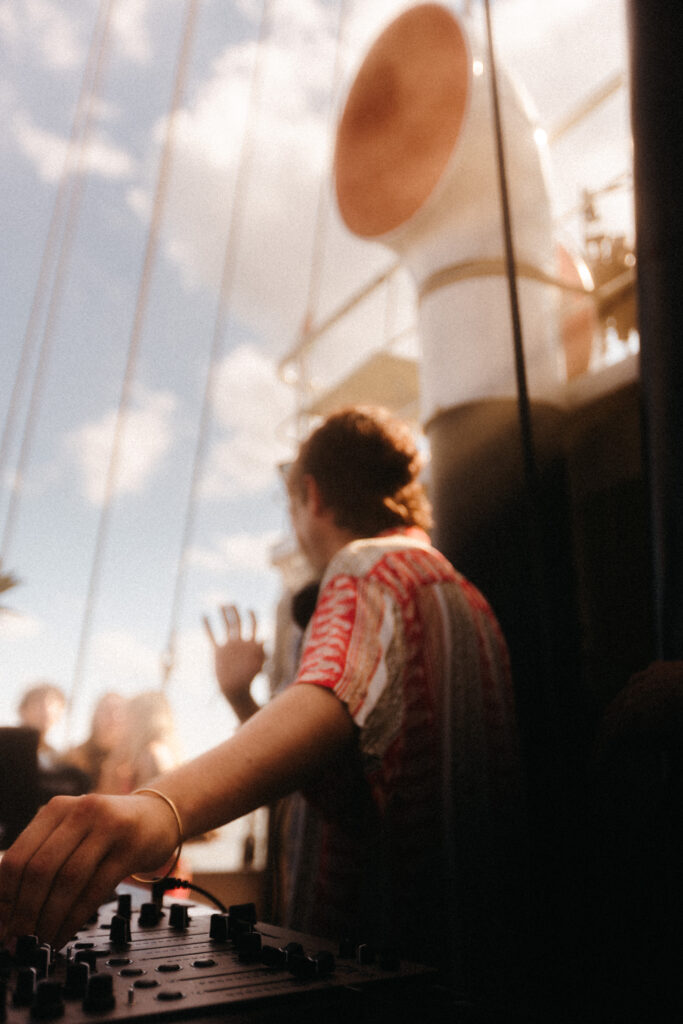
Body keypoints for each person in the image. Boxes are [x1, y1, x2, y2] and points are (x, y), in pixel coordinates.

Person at [0, 407, 523, 994]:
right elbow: (352, 779)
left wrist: (153, 811)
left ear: (311, 494)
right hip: (468, 968)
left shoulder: (365, 566)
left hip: (371, 975)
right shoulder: (466, 596)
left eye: (291, 507)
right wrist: (243, 698)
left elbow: (329, 693)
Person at [62, 692, 126, 791]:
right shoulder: (76, 755)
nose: (113, 716)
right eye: (106, 710)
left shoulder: (129, 759)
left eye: (119, 711)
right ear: (96, 715)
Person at [16, 682, 67, 770]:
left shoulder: (56, 759)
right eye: (38, 702)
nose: (45, 709)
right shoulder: (5, 745)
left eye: (51, 703)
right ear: (23, 710)